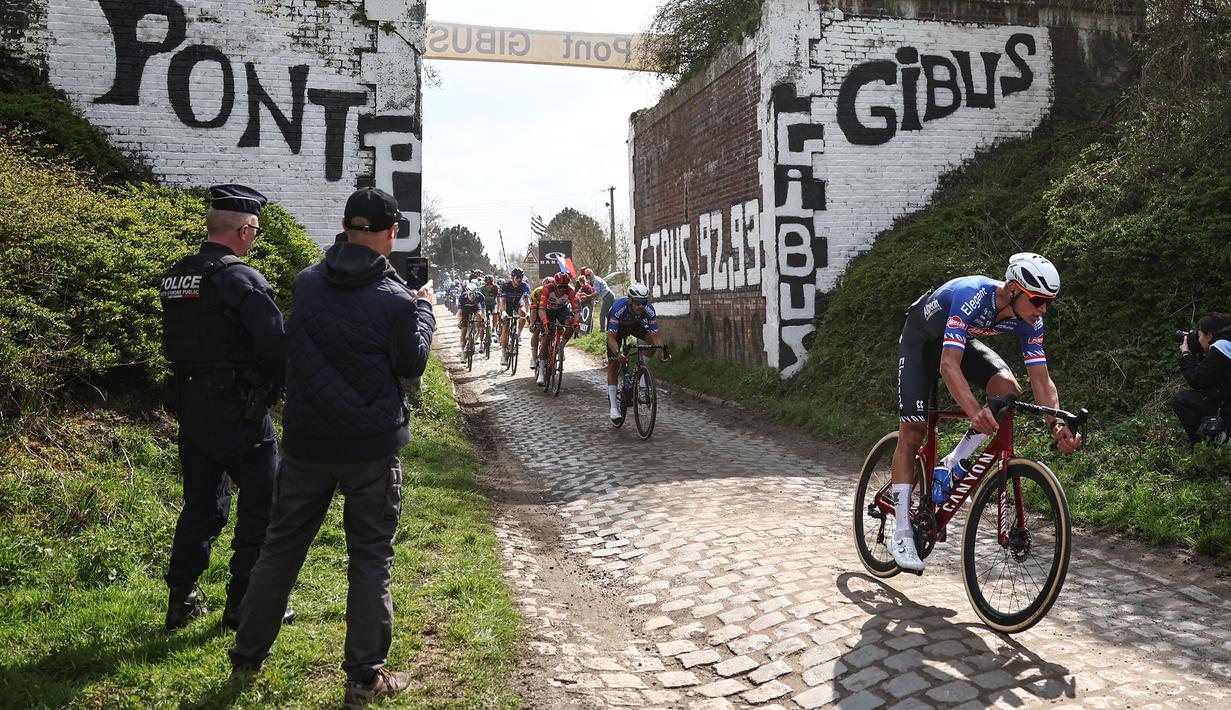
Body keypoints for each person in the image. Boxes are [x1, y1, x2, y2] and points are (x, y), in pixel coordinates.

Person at [228, 187, 435, 704]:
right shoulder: (395, 300)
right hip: (369, 448)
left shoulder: (306, 285)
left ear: (345, 230)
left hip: (307, 443)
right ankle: (364, 678)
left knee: (280, 549)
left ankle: (247, 659)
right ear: (390, 235)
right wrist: (425, 311)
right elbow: (411, 364)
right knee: (369, 557)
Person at [888, 253, 1082, 572]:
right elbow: (948, 364)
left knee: (1008, 390)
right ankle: (901, 532)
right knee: (912, 434)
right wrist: (974, 410)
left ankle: (952, 463)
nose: (1043, 309)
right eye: (1037, 300)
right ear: (1013, 289)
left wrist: (1056, 423)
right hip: (921, 342)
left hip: (957, 340)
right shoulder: (973, 295)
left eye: (1049, 302)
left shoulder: (1031, 321)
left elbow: (1040, 379)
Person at [158, 184, 295, 632]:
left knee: (201, 502)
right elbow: (275, 346)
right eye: (254, 231)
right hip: (240, 411)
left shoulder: (177, 275)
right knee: (262, 503)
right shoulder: (240, 279)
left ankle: (181, 600)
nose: (254, 239)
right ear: (243, 228)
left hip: (192, 408)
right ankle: (244, 605)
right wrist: (278, 388)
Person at [605, 282, 669, 422]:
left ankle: (641, 374)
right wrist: (617, 353)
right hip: (618, 327)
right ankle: (614, 408)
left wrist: (661, 348)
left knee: (652, 342)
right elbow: (611, 338)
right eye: (638, 302)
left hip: (634, 324)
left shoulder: (648, 309)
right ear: (630, 300)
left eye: (644, 302)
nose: (641, 306)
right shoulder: (618, 309)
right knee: (613, 363)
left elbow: (656, 334)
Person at [1173, 313, 1231, 446]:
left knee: (1182, 400)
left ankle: (1209, 446)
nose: (1198, 340)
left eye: (1199, 335)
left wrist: (1186, 354)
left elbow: (1197, 380)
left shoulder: (1223, 346)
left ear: (1209, 335)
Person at [536, 271, 580, 386]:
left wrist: (576, 322)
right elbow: (541, 309)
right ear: (555, 285)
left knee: (570, 325)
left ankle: (561, 346)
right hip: (548, 311)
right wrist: (545, 321)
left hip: (561, 310)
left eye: (565, 287)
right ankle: (541, 372)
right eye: (560, 287)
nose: (562, 290)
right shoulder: (547, 289)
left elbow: (576, 311)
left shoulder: (570, 291)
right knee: (546, 338)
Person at [498, 267, 531, 366]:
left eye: (521, 277)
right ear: (512, 277)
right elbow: (502, 301)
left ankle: (518, 334)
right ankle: (503, 354)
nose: (519, 279)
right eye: (517, 277)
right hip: (506, 305)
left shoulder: (524, 286)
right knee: (505, 329)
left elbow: (526, 301)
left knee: (523, 314)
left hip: (517, 303)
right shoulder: (506, 285)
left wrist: (529, 312)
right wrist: (503, 312)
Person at [456, 282, 487, 358]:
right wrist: (459, 322)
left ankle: (477, 332)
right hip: (465, 310)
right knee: (463, 330)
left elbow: (483, 311)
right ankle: (462, 351)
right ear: (467, 292)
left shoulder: (480, 296)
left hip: (476, 308)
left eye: (474, 294)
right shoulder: (462, 297)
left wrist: (483, 320)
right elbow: (459, 312)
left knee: (479, 315)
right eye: (470, 294)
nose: (472, 296)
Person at [528, 277, 549, 372]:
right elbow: (533, 310)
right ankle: (533, 358)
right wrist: (532, 323)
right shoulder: (537, 292)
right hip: (537, 310)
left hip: (550, 311)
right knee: (536, 331)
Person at [583, 267, 614, 332]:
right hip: (608, 296)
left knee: (602, 314)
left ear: (592, 273)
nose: (588, 276)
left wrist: (588, 296)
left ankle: (602, 330)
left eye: (589, 274)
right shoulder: (596, 279)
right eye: (586, 275)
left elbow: (597, 292)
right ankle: (612, 327)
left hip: (608, 296)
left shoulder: (596, 280)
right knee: (608, 314)